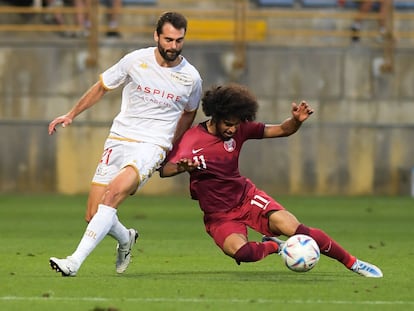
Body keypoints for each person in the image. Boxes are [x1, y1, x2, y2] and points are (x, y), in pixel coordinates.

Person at [159, 83, 383, 278]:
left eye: (237, 124)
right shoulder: (192, 139)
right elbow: (165, 171)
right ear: (215, 116)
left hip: (247, 198)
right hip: (218, 214)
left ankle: (353, 263)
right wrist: (182, 167)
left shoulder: (239, 129)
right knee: (241, 253)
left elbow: (283, 130)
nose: (233, 129)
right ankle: (275, 247)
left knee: (297, 229)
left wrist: (296, 121)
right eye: (228, 123)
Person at [48, 11, 203, 277]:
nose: (173, 46)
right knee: (94, 213)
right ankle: (126, 238)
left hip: (152, 146)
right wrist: (71, 114)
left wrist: (170, 147)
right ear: (156, 35)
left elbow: (189, 113)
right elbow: (102, 86)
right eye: (168, 39)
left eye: (179, 41)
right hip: (119, 138)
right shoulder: (135, 61)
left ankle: (73, 262)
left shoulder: (191, 78)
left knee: (113, 195)